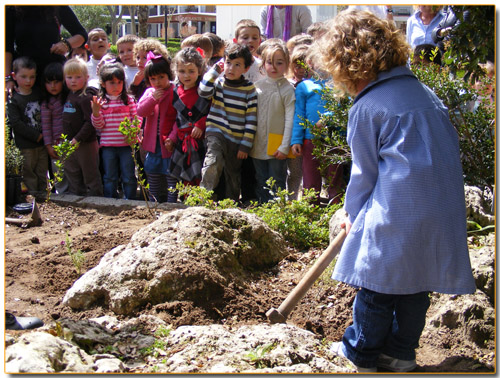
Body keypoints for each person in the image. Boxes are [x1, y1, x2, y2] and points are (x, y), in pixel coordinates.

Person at [315, 9, 476, 372]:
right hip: (441, 204)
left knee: (377, 283)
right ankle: (401, 353)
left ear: (347, 64)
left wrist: (351, 216)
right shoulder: (425, 94)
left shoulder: (368, 105)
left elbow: (364, 173)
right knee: (415, 282)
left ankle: (361, 354)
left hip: (399, 207)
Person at [198, 43, 258, 202]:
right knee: (213, 161)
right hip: (216, 131)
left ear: (246, 69)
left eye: (237, 65)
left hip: (237, 139)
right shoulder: (218, 83)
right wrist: (214, 71)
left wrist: (246, 144)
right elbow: (203, 91)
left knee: (232, 173)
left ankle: (230, 203)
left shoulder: (249, 89)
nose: (231, 68)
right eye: (228, 63)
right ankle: (204, 196)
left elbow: (251, 118)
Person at [290, 51, 344, 205]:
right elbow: (299, 114)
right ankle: (309, 210)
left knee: (335, 177)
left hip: (334, 139)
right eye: (318, 61)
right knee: (310, 177)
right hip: (310, 139)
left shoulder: (339, 84)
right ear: (310, 63)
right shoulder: (304, 86)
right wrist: (296, 140)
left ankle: (335, 208)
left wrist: (327, 118)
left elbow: (343, 109)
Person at [250, 43, 295, 203]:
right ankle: (263, 214)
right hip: (257, 144)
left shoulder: (287, 89)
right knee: (260, 180)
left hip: (277, 145)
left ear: (287, 64)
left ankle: (278, 216)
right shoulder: (257, 87)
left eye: (279, 62)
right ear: (263, 64)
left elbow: (290, 119)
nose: (274, 67)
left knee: (277, 181)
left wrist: (284, 146)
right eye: (270, 62)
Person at [5, 5, 88, 92]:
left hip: (54, 77)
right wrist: (8, 79)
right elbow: (6, 47)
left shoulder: (58, 7)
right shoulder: (11, 9)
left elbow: (82, 35)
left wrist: (66, 44)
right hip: (25, 77)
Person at [91, 62, 139, 200]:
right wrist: (96, 112)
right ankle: (110, 200)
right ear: (103, 83)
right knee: (110, 176)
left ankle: (129, 199)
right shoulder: (101, 102)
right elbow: (98, 126)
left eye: (119, 82)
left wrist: (133, 134)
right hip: (108, 147)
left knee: (129, 175)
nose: (116, 86)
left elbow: (136, 120)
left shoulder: (128, 100)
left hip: (126, 146)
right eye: (112, 82)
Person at [136, 52, 178, 203]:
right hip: (153, 144)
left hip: (169, 144)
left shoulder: (175, 91)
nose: (158, 82)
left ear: (169, 75)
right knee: (153, 175)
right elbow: (141, 111)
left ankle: (171, 204)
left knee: (171, 177)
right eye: (153, 79)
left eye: (161, 77)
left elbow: (179, 118)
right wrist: (153, 99)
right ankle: (155, 204)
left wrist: (173, 137)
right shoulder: (149, 92)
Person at [169, 48, 211, 187]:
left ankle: (202, 201)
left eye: (191, 71)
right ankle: (187, 201)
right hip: (183, 142)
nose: (186, 75)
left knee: (201, 172)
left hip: (201, 141)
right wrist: (170, 137)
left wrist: (200, 124)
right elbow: (175, 119)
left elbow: (213, 112)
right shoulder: (175, 92)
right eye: (182, 71)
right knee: (184, 175)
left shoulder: (204, 92)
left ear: (199, 71)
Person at [62, 58, 103, 197]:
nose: (73, 80)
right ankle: (76, 197)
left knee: (90, 173)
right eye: (69, 77)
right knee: (72, 171)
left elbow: (90, 122)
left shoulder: (86, 97)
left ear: (86, 78)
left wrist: (78, 138)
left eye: (78, 77)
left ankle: (97, 200)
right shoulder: (69, 95)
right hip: (70, 143)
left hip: (86, 143)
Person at [7, 56, 48, 194]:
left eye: (32, 77)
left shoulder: (38, 93)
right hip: (25, 146)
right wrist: (36, 136)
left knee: (42, 173)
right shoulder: (14, 99)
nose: (28, 81)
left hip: (42, 145)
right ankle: (33, 202)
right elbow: (16, 123)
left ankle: (45, 199)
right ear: (14, 76)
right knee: (29, 175)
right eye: (23, 77)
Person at [41, 62, 69, 194]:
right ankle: (63, 196)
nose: (53, 86)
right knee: (59, 173)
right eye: (49, 82)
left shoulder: (69, 98)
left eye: (56, 82)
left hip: (71, 142)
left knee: (73, 171)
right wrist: (48, 146)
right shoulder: (46, 104)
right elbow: (46, 126)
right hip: (56, 144)